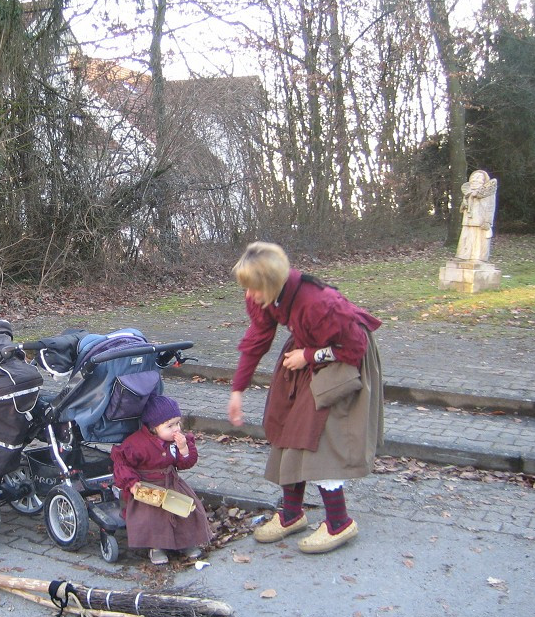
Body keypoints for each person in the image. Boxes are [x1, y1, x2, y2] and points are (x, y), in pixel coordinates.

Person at [227, 242, 383, 554]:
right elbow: (257, 339)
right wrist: (237, 390)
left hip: (343, 360)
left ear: (271, 283)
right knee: (287, 426)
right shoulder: (265, 297)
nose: (249, 296)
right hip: (306, 352)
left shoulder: (319, 303)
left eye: (253, 289)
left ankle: (339, 522)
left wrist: (308, 355)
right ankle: (291, 514)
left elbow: (353, 349)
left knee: (319, 438)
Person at [111, 395, 212, 565]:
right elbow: (122, 464)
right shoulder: (136, 444)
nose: (176, 429)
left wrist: (183, 448)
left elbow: (185, 463)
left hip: (171, 483)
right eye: (169, 426)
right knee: (154, 517)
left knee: (185, 510)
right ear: (153, 427)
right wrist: (132, 483)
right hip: (148, 485)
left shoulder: (176, 442)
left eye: (177, 423)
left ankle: (185, 541)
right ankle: (156, 546)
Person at [455, 170, 498, 263]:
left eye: (478, 178)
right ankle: (463, 255)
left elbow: (491, 207)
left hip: (480, 221)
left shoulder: (488, 193)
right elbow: (462, 209)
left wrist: (488, 221)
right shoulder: (468, 193)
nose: (475, 180)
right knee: (466, 238)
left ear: (483, 181)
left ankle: (477, 258)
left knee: (479, 240)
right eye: (473, 177)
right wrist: (464, 203)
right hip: (468, 220)